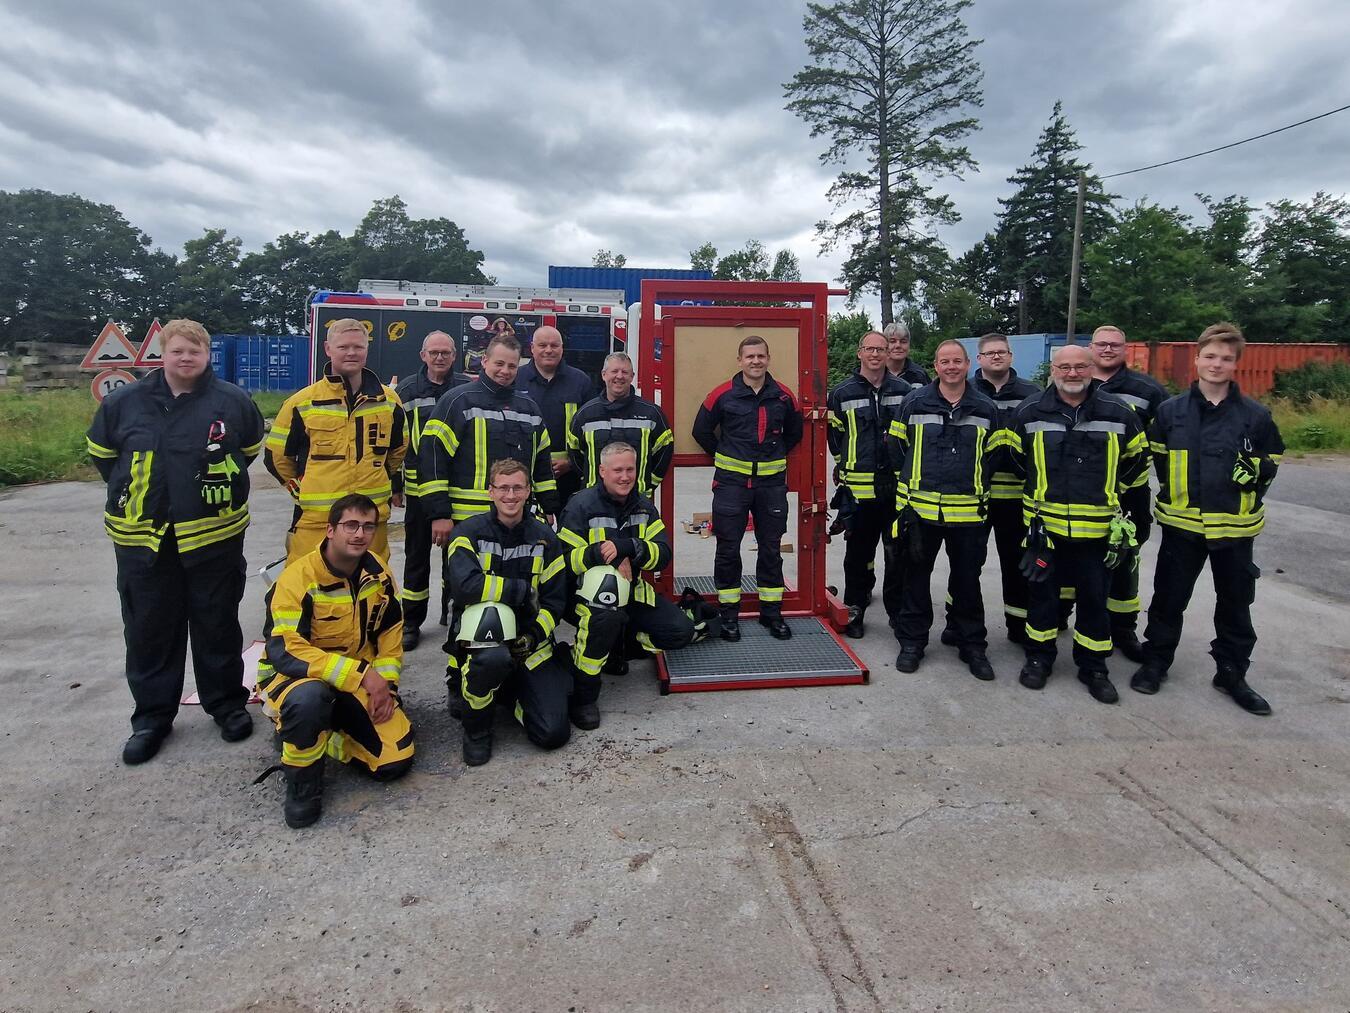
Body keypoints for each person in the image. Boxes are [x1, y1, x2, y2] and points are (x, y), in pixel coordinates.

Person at [86, 318, 266, 765]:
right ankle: (151, 718)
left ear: (207, 354)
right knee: (149, 629)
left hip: (213, 537)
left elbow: (247, 451)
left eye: (195, 351)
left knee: (216, 623)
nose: (186, 358)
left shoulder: (232, 401)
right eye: (177, 351)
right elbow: (104, 457)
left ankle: (226, 705)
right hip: (144, 540)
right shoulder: (124, 403)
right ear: (162, 354)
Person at [1132, 323, 1284, 715]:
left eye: (1226, 358)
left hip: (1235, 529)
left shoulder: (1255, 415)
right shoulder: (1170, 412)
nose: (1217, 364)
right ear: (1197, 359)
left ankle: (1232, 674)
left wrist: (1255, 477)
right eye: (1211, 356)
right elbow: (1155, 460)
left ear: (1236, 365)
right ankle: (1156, 662)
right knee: (1168, 600)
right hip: (1182, 526)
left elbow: (1272, 460)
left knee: (1235, 604)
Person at [255, 494, 414, 828]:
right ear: (330, 530)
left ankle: (326, 737)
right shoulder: (298, 578)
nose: (359, 534)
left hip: (353, 678)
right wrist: (362, 676)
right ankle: (302, 783)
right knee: (309, 700)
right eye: (350, 525)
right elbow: (287, 650)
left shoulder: (377, 572)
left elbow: (390, 632)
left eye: (367, 527)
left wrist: (387, 688)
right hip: (296, 678)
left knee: (393, 761)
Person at [1005, 344, 1148, 704]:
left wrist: (1111, 490)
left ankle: (1094, 667)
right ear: (1052, 370)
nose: (1072, 373)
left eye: (1080, 367)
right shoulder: (1029, 411)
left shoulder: (1119, 412)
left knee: (1095, 600)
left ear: (1091, 369)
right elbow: (1014, 457)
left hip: (1098, 530)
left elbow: (1138, 459)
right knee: (1042, 598)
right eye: (1064, 367)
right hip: (1045, 530)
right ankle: (1039, 658)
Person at [444, 459, 572, 765]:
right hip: (482, 644)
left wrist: (533, 636)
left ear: (528, 491)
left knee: (552, 733)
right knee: (491, 658)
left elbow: (555, 602)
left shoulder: (545, 537)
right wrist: (520, 591)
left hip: (529, 646)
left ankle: (505, 692)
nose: (510, 495)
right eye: (503, 488)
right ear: (490, 492)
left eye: (517, 488)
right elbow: (464, 587)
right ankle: (477, 731)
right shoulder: (467, 533)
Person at [560, 443, 696, 726]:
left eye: (630, 470)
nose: (625, 477)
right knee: (604, 617)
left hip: (632, 593)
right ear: (602, 471)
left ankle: (619, 645)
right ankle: (584, 696)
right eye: (618, 470)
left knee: (680, 632)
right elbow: (563, 562)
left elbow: (663, 555)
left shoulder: (644, 507)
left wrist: (629, 547)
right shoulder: (580, 505)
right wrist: (601, 554)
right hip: (587, 599)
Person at [888, 340, 1001, 680]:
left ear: (967, 365)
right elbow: (896, 448)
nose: (951, 367)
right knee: (915, 580)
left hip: (968, 515)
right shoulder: (914, 402)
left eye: (957, 361)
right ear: (935, 366)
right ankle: (912, 643)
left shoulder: (985, 407)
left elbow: (994, 456)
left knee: (967, 582)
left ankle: (972, 645)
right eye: (944, 361)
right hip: (920, 512)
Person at [265, 318, 406, 565]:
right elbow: (276, 457)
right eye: (343, 347)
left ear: (366, 349)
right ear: (328, 349)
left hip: (371, 521)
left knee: (371, 583)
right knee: (308, 583)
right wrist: (301, 490)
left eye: (358, 346)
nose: (351, 352)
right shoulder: (302, 402)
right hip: (317, 523)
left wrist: (379, 477)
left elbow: (397, 451)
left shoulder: (389, 401)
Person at [692, 335, 804, 641]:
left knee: (771, 549)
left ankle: (772, 614)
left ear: (768, 359)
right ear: (740, 360)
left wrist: (773, 456)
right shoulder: (722, 395)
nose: (756, 361)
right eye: (750, 356)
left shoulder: (784, 396)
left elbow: (794, 433)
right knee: (728, 549)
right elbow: (701, 430)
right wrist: (724, 455)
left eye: (761, 356)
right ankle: (729, 616)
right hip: (731, 484)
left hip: (771, 486)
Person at [419, 332, 559, 547]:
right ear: (485, 361)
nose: (505, 371)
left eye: (512, 366)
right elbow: (432, 459)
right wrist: (439, 514)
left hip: (516, 519)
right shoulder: (457, 401)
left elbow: (542, 464)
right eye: (499, 364)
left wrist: (549, 507)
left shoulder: (529, 408)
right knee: (465, 570)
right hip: (466, 520)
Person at [1087, 324, 1167, 660]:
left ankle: (1122, 629)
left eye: (1114, 345)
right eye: (1101, 344)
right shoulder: (1072, 382)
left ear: (1125, 349)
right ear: (1091, 348)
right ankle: (1061, 617)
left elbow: (1163, 444)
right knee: (1074, 558)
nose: (1107, 350)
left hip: (1128, 493)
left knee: (1124, 561)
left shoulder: (1148, 391)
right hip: (1082, 492)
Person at [826, 330, 911, 638]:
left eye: (881, 349)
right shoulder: (841, 393)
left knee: (897, 554)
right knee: (857, 557)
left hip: (895, 490)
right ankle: (855, 611)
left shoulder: (905, 391)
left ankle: (898, 615)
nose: (875, 354)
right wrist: (845, 463)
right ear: (859, 353)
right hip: (858, 492)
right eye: (870, 349)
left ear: (888, 354)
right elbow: (834, 435)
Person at [394, 331, 469, 650]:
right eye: (434, 352)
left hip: (457, 490)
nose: (440, 357)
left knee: (458, 557)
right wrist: (395, 486)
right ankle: (411, 621)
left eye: (445, 352)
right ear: (423, 355)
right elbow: (396, 442)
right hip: (419, 492)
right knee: (416, 557)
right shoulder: (406, 391)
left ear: (455, 356)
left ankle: (454, 614)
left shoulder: (465, 388)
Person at [969, 333, 1041, 644]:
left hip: (1015, 496)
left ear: (1011, 356)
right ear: (979, 359)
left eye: (1001, 352)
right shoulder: (964, 390)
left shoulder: (1032, 394)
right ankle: (960, 623)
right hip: (974, 496)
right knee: (967, 565)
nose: (996, 356)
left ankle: (1018, 625)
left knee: (1016, 565)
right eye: (990, 353)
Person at [569, 352, 673, 495]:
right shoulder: (585, 415)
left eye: (625, 372)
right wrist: (589, 479)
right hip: (594, 500)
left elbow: (664, 451)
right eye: (614, 371)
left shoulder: (652, 414)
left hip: (636, 499)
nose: (619, 376)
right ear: (604, 375)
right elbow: (575, 454)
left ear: (632, 376)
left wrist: (648, 485)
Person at [516, 325, 596, 514]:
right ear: (532, 348)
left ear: (562, 348)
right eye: (542, 345)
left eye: (554, 345)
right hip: (524, 474)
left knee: (571, 526)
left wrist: (571, 462)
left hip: (569, 476)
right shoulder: (516, 379)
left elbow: (592, 431)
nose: (548, 350)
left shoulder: (580, 381)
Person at [884, 322, 930, 386]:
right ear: (884, 345)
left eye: (903, 341)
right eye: (892, 341)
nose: (898, 345)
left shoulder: (919, 374)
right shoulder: (876, 373)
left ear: (909, 345)